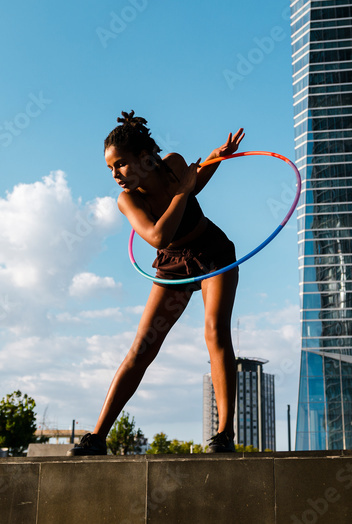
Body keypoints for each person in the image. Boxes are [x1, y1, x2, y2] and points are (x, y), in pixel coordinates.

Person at [69, 111, 245, 455]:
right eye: (110, 169)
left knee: (214, 332)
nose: (116, 174)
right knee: (142, 346)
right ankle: (97, 437)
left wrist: (216, 159)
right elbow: (159, 236)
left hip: (212, 253)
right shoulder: (128, 200)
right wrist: (182, 192)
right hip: (172, 262)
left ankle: (224, 433)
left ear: (145, 158)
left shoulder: (174, 165)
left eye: (120, 164)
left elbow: (196, 182)